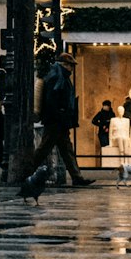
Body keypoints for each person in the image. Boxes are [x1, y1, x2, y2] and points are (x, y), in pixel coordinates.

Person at [30, 52, 93, 187]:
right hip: (56, 121)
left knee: (66, 150)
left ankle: (77, 177)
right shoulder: (56, 77)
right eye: (71, 66)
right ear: (65, 65)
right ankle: (26, 172)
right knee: (45, 148)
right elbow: (52, 101)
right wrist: (61, 115)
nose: (72, 68)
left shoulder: (60, 76)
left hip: (59, 121)